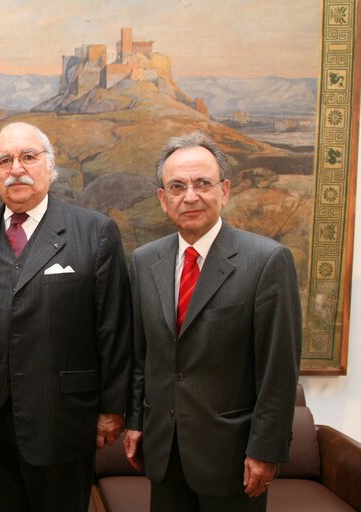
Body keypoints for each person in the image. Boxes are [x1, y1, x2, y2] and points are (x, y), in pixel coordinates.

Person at [0, 122, 132, 511]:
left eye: (28, 157)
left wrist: (113, 408)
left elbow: (114, 326)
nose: (16, 169)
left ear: (50, 165)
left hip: (61, 420)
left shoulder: (94, 232)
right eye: (4, 160)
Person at [124, 131, 302, 511]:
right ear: (162, 199)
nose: (190, 196)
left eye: (202, 183)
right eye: (177, 186)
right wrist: (137, 421)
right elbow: (142, 356)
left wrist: (266, 449)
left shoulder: (267, 260)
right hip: (164, 450)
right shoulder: (144, 261)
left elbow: (278, 369)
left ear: (224, 190)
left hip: (233, 456)